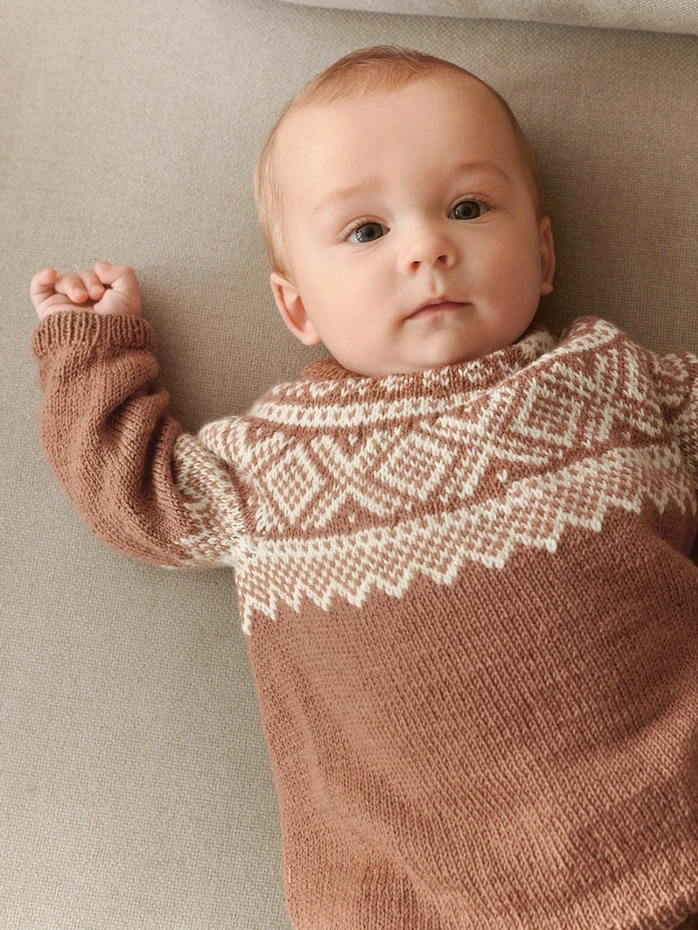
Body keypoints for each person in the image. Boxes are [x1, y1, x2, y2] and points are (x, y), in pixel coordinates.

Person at [29, 44, 698, 930]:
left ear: (543, 255)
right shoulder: (267, 466)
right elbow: (133, 497)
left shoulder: (615, 379)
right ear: (297, 306)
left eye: (467, 208)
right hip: (429, 897)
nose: (428, 248)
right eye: (367, 232)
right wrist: (94, 353)